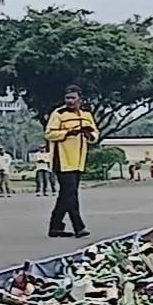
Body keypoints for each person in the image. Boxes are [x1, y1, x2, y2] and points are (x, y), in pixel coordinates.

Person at [44, 85, 98, 238]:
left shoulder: (86, 114)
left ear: (79, 99)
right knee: (71, 194)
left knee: (65, 195)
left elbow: (95, 133)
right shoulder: (58, 114)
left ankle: (55, 226)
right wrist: (68, 132)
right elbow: (49, 134)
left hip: (78, 160)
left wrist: (89, 134)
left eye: (73, 98)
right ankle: (78, 226)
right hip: (62, 159)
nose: (70, 101)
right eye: (68, 98)